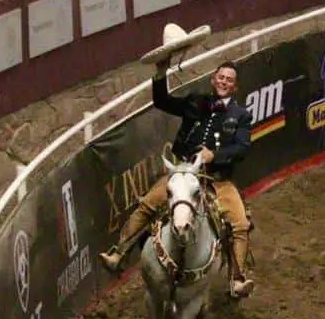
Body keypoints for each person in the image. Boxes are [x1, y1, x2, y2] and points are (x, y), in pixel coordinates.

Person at [100, 60, 257, 299]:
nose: (224, 82)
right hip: (184, 173)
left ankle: (237, 279)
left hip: (218, 179)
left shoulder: (241, 115)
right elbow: (162, 101)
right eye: (221, 77)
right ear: (213, 79)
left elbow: (243, 148)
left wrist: (214, 155)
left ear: (235, 87)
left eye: (229, 80)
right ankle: (118, 253)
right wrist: (161, 72)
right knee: (148, 204)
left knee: (240, 223)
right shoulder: (195, 102)